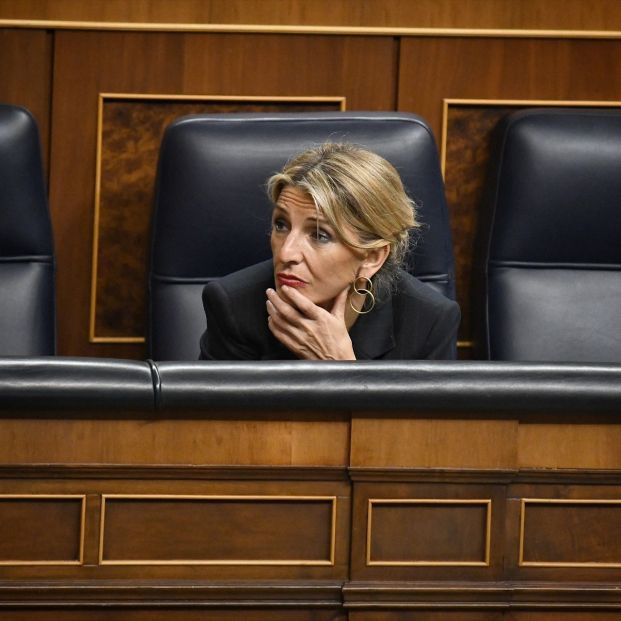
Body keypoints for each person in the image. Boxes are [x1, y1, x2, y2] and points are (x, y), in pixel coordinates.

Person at [199, 143, 460, 360]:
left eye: (320, 235)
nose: (286, 253)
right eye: (281, 224)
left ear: (371, 257)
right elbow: (221, 423)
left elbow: (420, 426)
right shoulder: (234, 306)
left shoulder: (429, 322)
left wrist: (342, 370)